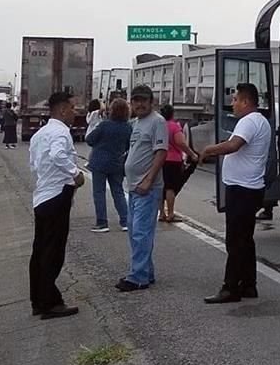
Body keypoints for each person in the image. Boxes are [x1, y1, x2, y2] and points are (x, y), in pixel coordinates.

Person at [201, 83, 271, 303]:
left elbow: (233, 146)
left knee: (235, 241)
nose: (233, 104)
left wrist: (208, 150)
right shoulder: (261, 121)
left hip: (242, 190)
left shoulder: (248, 121)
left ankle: (230, 288)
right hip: (250, 188)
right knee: (245, 240)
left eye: (235, 100)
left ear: (246, 102)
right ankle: (249, 285)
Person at [27, 91, 84, 320]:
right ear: (62, 110)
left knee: (40, 250)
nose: (75, 112)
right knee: (53, 252)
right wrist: (75, 173)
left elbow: (33, 164)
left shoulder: (40, 134)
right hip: (57, 195)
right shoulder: (60, 132)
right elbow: (58, 154)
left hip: (42, 195)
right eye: (72, 108)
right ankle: (50, 302)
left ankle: (38, 299)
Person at [116, 85, 168, 292]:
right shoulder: (136, 123)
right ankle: (145, 271)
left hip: (148, 187)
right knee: (134, 233)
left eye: (143, 100)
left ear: (151, 101)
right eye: (135, 100)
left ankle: (138, 277)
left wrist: (148, 180)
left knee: (140, 233)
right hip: (134, 187)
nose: (139, 104)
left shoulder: (158, 122)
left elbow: (161, 152)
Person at [85, 98, 132, 233]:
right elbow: (130, 146)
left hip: (99, 163)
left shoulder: (105, 125)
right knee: (118, 192)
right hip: (117, 163)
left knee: (99, 192)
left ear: (112, 111)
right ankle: (125, 221)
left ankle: (102, 222)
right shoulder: (128, 127)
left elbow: (89, 139)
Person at [159, 104, 198, 223]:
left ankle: (161, 213)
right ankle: (170, 213)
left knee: (161, 187)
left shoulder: (159, 126)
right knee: (170, 188)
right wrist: (192, 154)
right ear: (172, 114)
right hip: (173, 160)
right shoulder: (174, 127)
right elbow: (181, 143)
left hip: (160, 159)